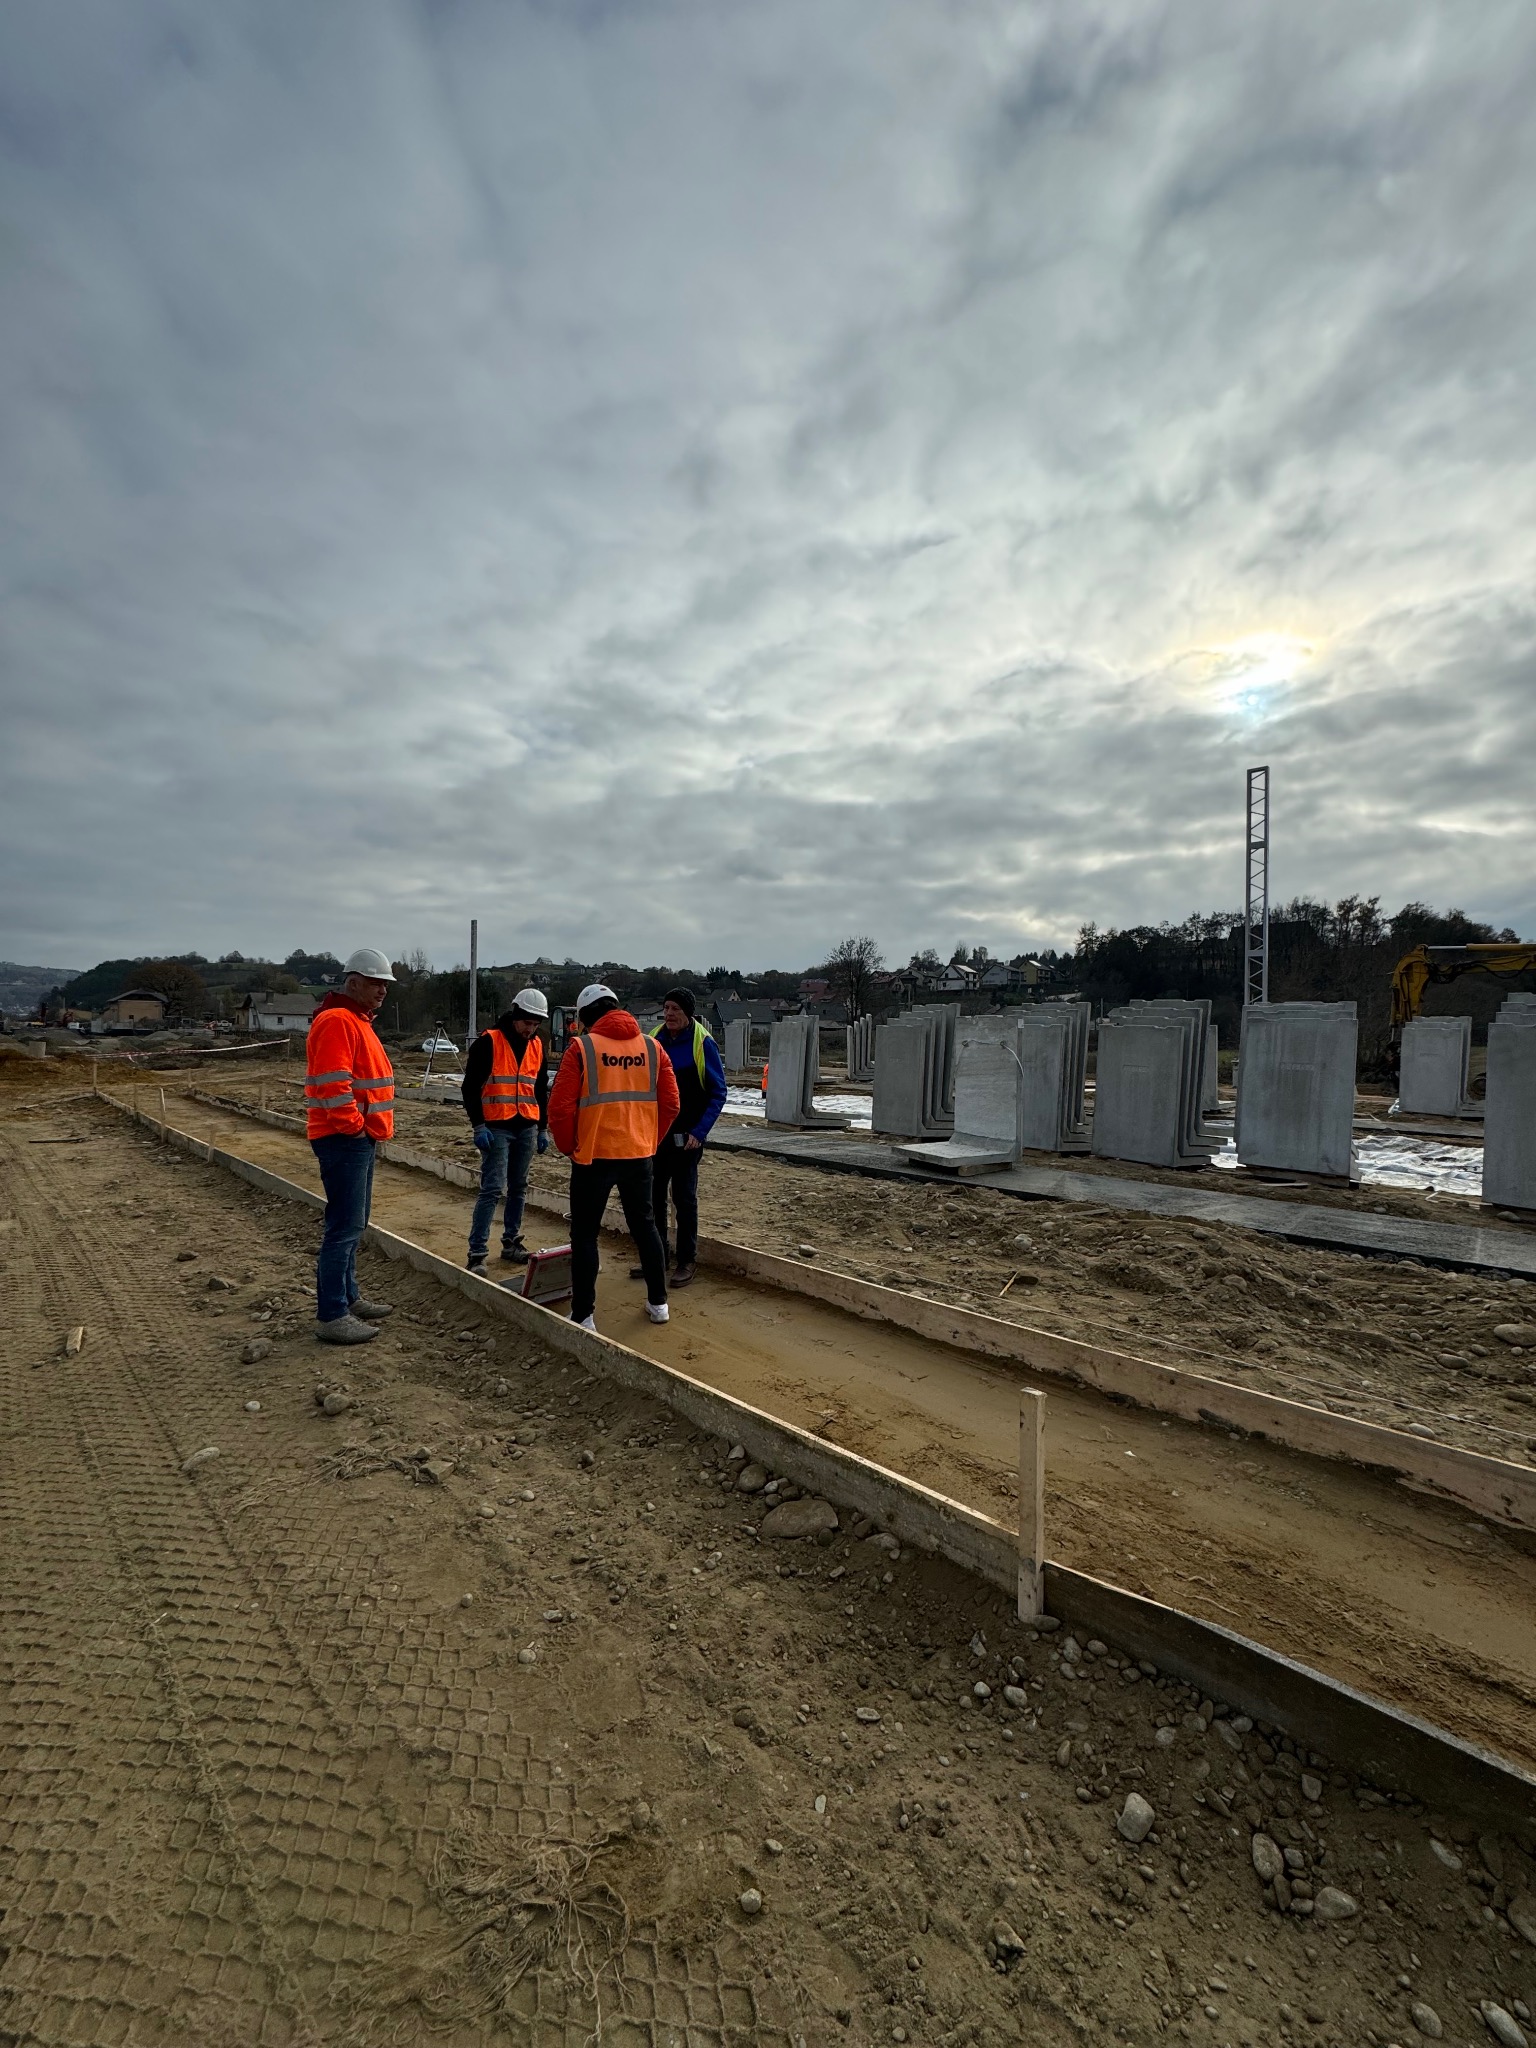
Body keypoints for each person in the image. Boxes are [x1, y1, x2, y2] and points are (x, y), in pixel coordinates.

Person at [547, 982, 679, 1333]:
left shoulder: (582, 1048)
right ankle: (658, 1303)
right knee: (646, 1227)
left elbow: (559, 1109)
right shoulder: (653, 1048)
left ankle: (584, 1315)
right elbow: (671, 1104)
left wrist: (567, 1146)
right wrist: (649, 1140)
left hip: (593, 1157)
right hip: (639, 1155)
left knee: (585, 1234)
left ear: (587, 1015)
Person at [303, 947, 398, 1343]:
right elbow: (332, 1083)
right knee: (343, 1228)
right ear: (353, 982)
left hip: (358, 1139)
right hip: (345, 1140)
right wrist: (354, 1128)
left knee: (353, 1223)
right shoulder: (338, 1021)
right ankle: (332, 1315)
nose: (382, 991)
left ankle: (348, 1296)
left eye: (386, 985)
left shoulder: (357, 1021)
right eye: (376, 983)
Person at [631, 987, 727, 1288]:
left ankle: (687, 1260)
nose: (669, 1014)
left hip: (688, 1137)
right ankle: (657, 1257)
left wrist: (700, 1132)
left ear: (688, 1013)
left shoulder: (703, 1044)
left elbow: (718, 1092)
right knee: (653, 1197)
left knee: (684, 1198)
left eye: (675, 1009)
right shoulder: (654, 1040)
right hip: (655, 1135)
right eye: (666, 1007)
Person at [461, 987, 551, 1274]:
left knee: (519, 1188)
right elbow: (470, 1088)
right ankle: (477, 1253)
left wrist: (542, 1128)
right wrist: (478, 1125)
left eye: (536, 1025)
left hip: (526, 1125)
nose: (531, 1029)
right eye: (527, 1023)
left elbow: (539, 1090)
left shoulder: (537, 1045)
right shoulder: (489, 1043)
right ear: (515, 1016)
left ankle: (511, 1242)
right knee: (491, 1189)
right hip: (496, 1127)